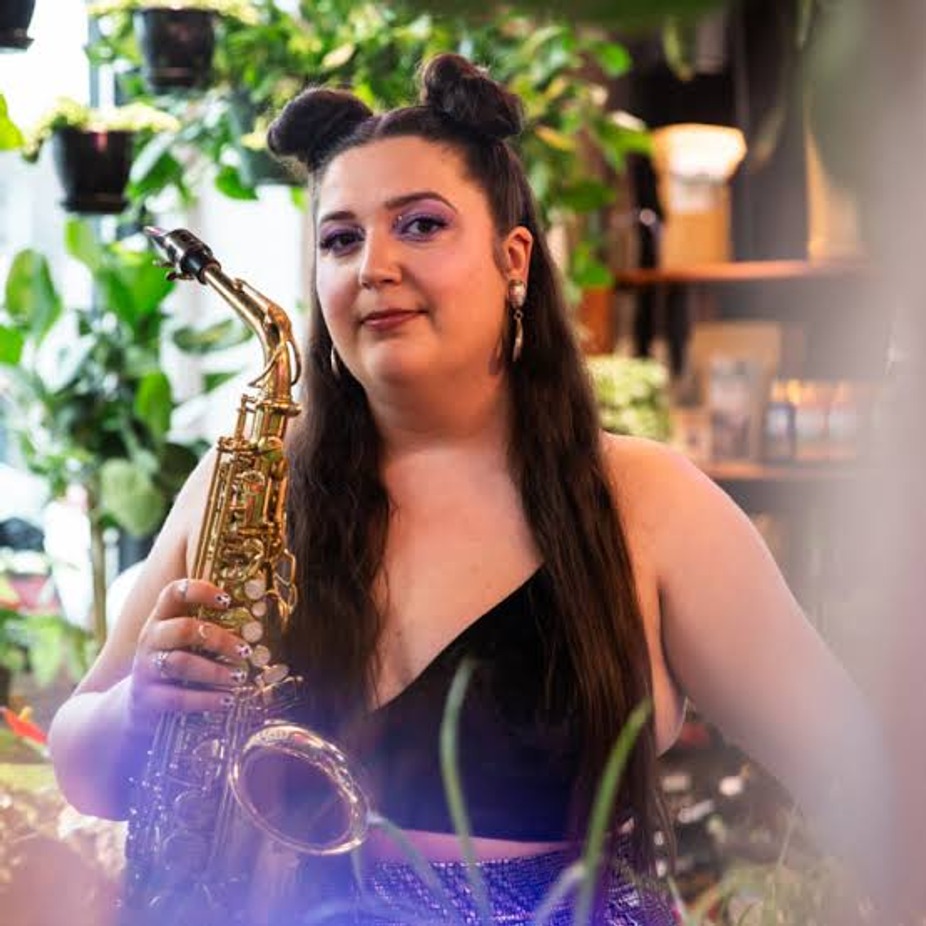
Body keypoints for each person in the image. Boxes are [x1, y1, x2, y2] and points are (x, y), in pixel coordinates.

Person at [48, 53, 888, 925]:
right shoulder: (249, 485)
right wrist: (141, 707)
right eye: (340, 239)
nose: (373, 265)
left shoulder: (650, 501)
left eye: (420, 225)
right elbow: (83, 771)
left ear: (513, 258)